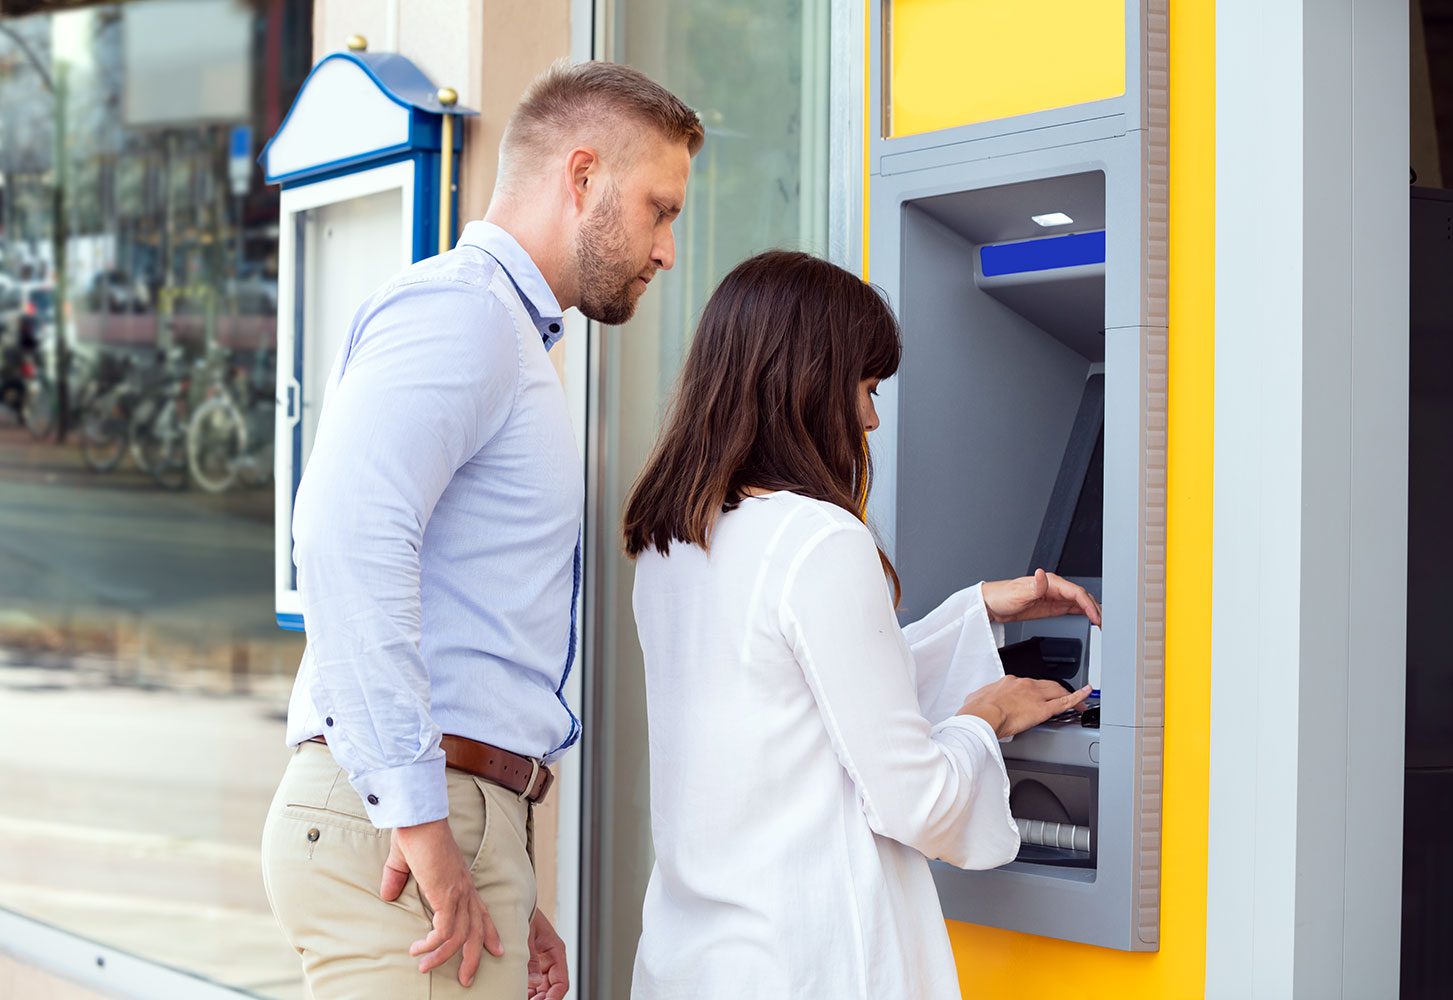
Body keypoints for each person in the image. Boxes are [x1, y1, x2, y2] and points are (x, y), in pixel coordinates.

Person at [261, 61, 702, 1000]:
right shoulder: (463, 313)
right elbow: (348, 537)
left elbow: (470, 634)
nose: (668, 250)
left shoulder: (505, 334)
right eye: (661, 209)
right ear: (581, 178)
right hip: (402, 824)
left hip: (442, 812)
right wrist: (426, 829)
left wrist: (508, 872)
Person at [621, 250, 1100, 999]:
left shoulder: (674, 541)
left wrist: (971, 611)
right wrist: (986, 716)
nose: (873, 418)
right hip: (810, 967)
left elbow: (796, 701)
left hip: (695, 963)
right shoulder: (821, 541)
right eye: (865, 387)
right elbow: (918, 802)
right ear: (804, 381)